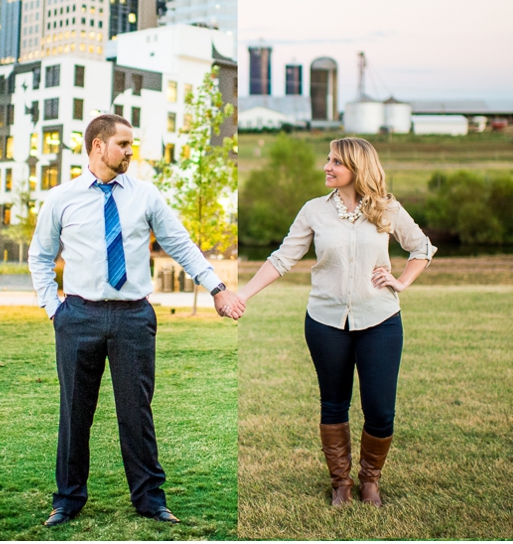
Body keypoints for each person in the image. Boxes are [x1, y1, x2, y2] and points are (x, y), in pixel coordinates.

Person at [28, 114, 245, 527]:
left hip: (133, 317)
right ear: (97, 146)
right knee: (75, 412)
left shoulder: (145, 196)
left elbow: (180, 243)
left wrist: (217, 288)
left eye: (132, 144)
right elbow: (39, 256)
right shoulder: (61, 198)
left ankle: (149, 499)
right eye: (123, 144)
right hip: (78, 317)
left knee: (136, 412)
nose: (130, 151)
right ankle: (68, 500)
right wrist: (53, 308)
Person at [237, 137, 435, 507]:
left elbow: (420, 247)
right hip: (326, 322)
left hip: (381, 319)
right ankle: (341, 483)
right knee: (333, 404)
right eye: (328, 159)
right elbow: (282, 259)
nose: (327, 166)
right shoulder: (313, 211)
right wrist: (243, 295)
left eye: (335, 162)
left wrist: (402, 281)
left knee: (380, 410)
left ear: (357, 169)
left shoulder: (387, 208)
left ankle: (370, 480)